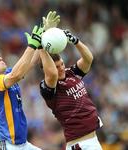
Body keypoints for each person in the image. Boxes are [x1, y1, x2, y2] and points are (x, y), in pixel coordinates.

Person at [39, 11, 103, 150]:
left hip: (92, 141)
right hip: (81, 145)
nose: (61, 68)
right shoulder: (49, 87)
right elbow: (51, 75)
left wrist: (75, 41)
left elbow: (88, 59)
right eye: (56, 67)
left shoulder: (71, 73)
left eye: (61, 64)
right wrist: (42, 41)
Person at [0, 25, 43, 150]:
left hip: (22, 144)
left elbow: (31, 62)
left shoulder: (7, 75)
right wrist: (31, 45)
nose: (0, 57)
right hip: (4, 144)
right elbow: (16, 74)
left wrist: (41, 40)